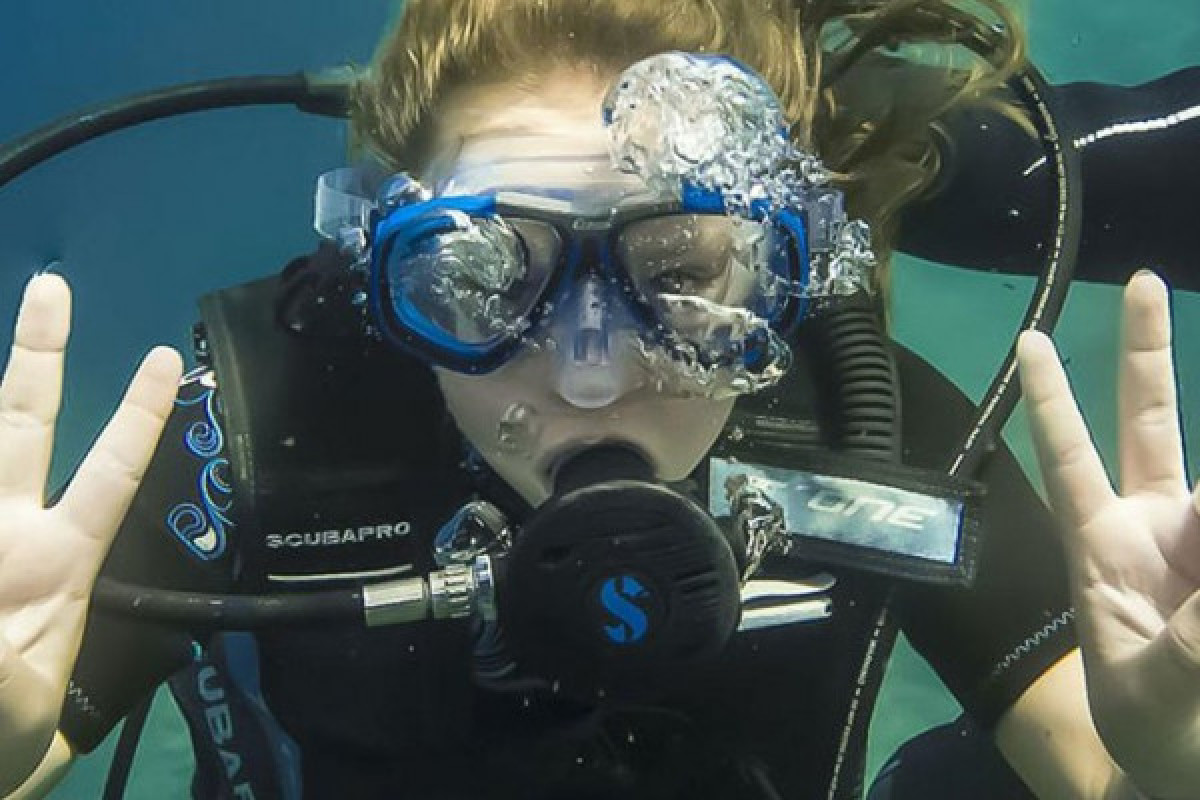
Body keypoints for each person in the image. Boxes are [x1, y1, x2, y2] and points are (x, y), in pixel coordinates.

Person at [0, 1, 1197, 799]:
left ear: (787, 275)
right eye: (479, 275)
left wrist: (1176, 755)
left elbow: (1107, 766)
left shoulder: (862, 432)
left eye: (678, 274)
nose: (585, 370)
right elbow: (27, 727)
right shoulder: (272, 413)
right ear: (381, 269)